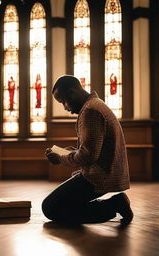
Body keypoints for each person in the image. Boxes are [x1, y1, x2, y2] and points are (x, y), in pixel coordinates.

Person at [42, 75, 133, 226]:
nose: (65, 107)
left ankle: (113, 205)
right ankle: (114, 203)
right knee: (60, 204)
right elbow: (91, 149)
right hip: (105, 172)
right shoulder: (95, 105)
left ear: (72, 93)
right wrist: (66, 152)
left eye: (63, 101)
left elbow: (88, 156)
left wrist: (60, 158)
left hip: (100, 177)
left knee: (50, 208)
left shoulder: (90, 111)